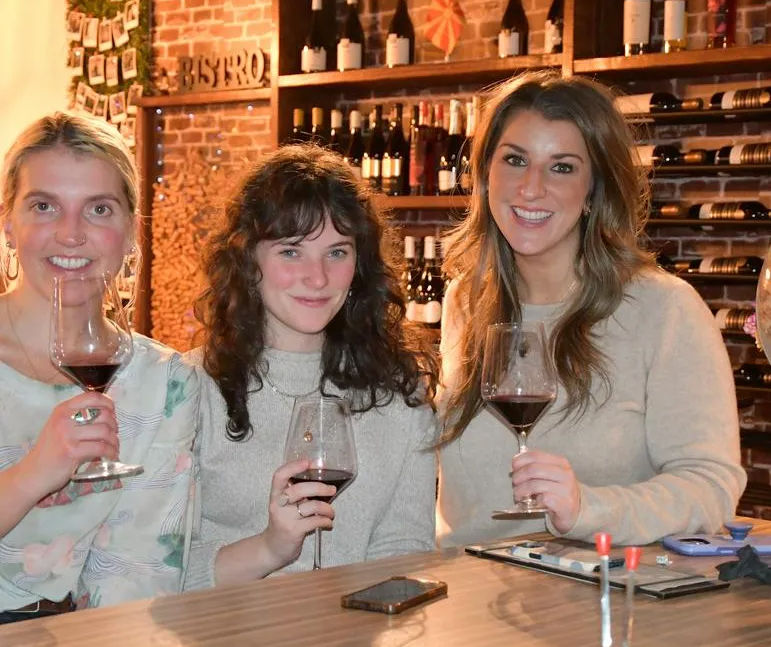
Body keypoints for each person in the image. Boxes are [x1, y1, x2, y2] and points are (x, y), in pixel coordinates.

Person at [436, 71, 747, 548]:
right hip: (463, 600)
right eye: (515, 160)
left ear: (593, 190)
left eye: (562, 167)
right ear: (485, 174)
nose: (531, 188)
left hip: (588, 598)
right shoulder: (465, 300)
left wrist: (587, 508)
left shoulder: (662, 309)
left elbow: (709, 487)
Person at [183, 144, 438, 590]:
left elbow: (406, 548)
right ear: (247, 261)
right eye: (291, 252)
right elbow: (159, 571)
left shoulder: (400, 394)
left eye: (337, 253)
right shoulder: (188, 389)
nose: (318, 278)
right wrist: (270, 548)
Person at [0, 113, 198, 621]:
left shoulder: (165, 384)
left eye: (99, 209)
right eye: (44, 206)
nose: (70, 235)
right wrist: (35, 473)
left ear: (131, 231)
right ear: (6, 222)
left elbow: (138, 567)